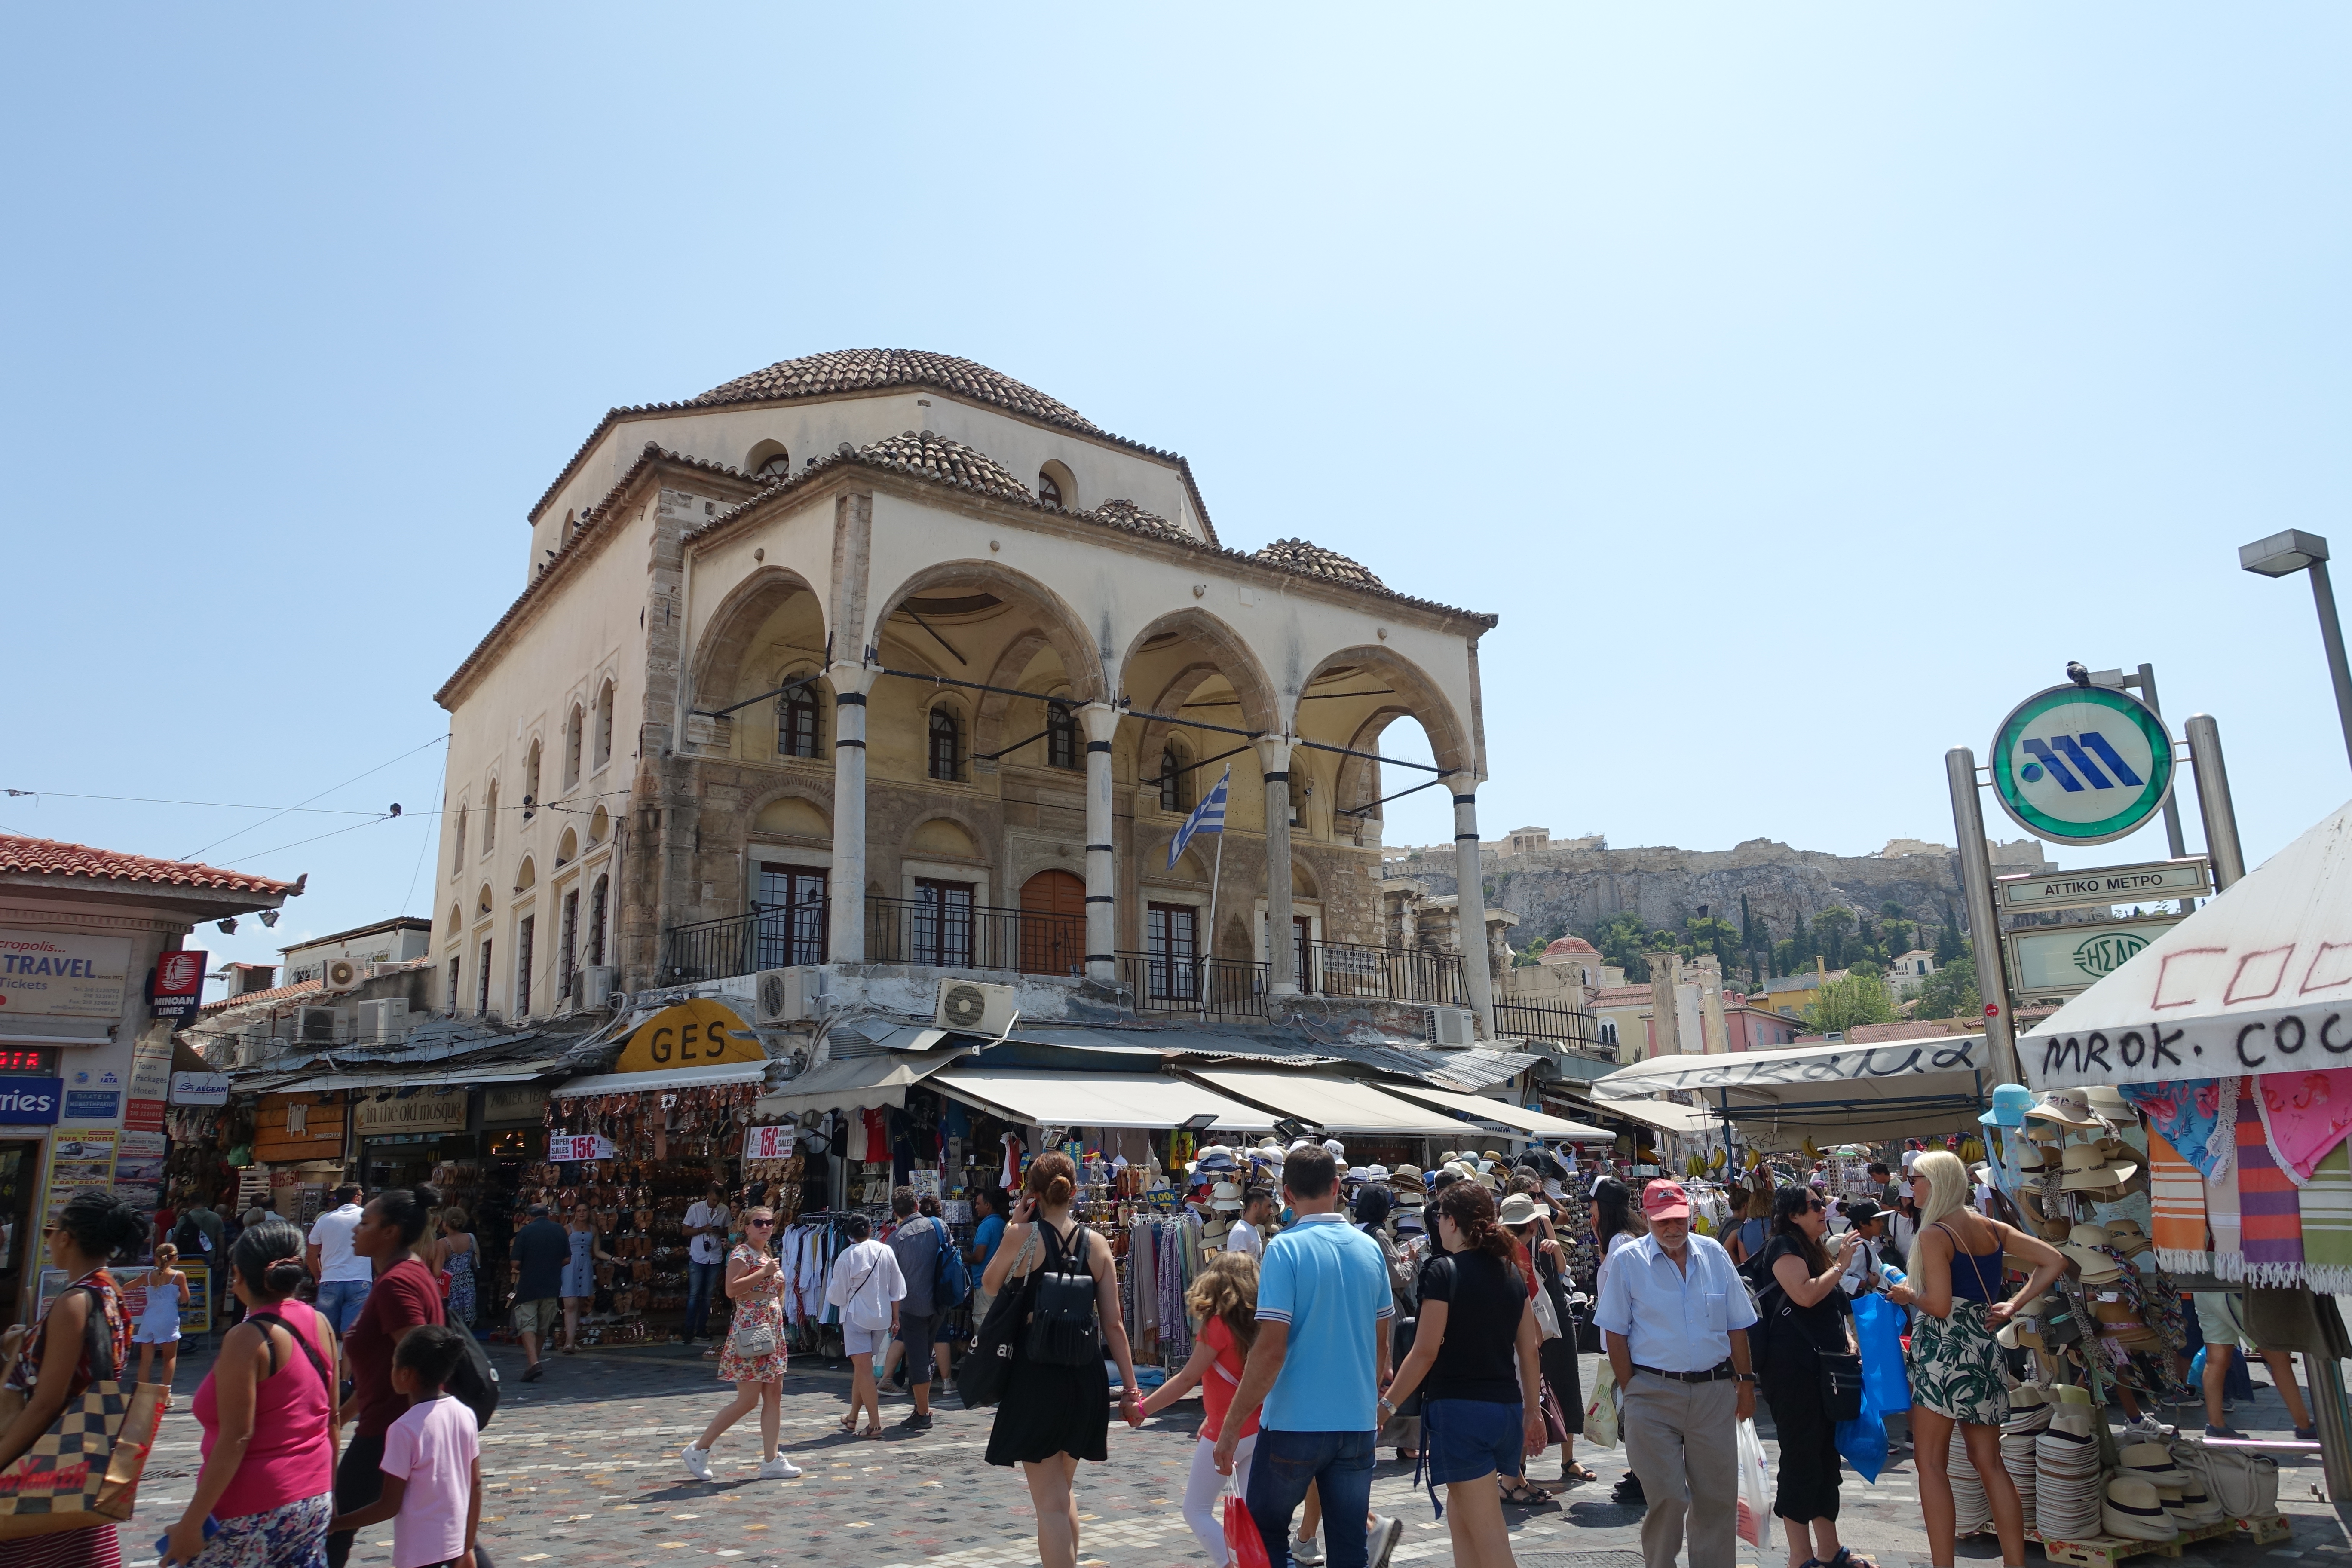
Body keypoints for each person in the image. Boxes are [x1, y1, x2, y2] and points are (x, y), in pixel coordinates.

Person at [1211, 1144, 1403, 1568]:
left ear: (1287, 1193)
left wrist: (1230, 1427)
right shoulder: (1368, 1248)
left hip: (1294, 1422)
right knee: (1350, 1543)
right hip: (1355, 1422)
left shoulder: (1285, 1249)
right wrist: (1365, 1400)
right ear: (1337, 1187)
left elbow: (1270, 1349)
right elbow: (1382, 1344)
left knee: (1265, 1535)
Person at [981, 1150, 1147, 1568]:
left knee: (1050, 1503)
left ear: (1033, 1195)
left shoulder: (1023, 1237)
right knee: (1063, 1491)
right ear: (1074, 1192)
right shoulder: (1097, 1245)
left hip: (1035, 1376)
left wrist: (1014, 1226)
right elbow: (1115, 1325)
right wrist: (1131, 1389)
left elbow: (988, 1285)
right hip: (1085, 1375)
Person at [1905, 1149, 2065, 1568]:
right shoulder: (1990, 1227)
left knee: (1931, 1464)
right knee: (1991, 1463)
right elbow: (2054, 1260)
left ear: (1936, 1182)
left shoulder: (1935, 1234)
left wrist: (1907, 1295)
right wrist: (2013, 1305)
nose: (1911, 1187)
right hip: (1985, 1348)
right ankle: (2016, 1563)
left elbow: (1938, 1306)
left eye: (1916, 1179)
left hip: (1944, 1352)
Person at [1379, 1181, 1546, 1568]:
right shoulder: (1510, 1271)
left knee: (1488, 1537)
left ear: (1451, 1221)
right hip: (1503, 1411)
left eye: (1440, 1217)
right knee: (1464, 1523)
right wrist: (1532, 1412)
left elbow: (1424, 1352)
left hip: (1461, 1413)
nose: (1438, 1224)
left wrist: (1385, 1408)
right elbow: (1530, 1347)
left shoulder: (1443, 1270)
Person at [1593, 1179, 1758, 1568]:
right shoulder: (1628, 1261)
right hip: (1652, 1393)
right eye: (1663, 1220)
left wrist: (1746, 1384)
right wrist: (1633, 1389)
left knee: (1717, 1498)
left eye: (1679, 1219)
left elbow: (1737, 1325)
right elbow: (1614, 1332)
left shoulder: (1715, 1254)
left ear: (1690, 1216)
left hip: (1713, 1392)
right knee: (1668, 1497)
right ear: (1647, 1217)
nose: (1672, 1227)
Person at [168, 1218, 340, 1567]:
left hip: (252, 1505)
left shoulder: (247, 1339)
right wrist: (330, 1492)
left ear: (239, 1276)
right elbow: (331, 1418)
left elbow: (237, 1437)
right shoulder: (319, 1323)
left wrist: (193, 1521)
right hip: (312, 1497)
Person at [0, 1190, 143, 1568]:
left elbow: (48, 1401)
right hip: (85, 1453)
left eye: (52, 1229)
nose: (49, 1238)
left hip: (47, 1460)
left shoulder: (74, 1301)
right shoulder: (109, 1291)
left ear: (66, 1237)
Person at [326, 1185, 447, 1568]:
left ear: (390, 1231)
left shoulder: (397, 1283)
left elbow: (416, 1358)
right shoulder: (406, 1272)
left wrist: (412, 1428)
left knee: (335, 1527)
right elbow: (387, 1366)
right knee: (445, 1528)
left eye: (366, 1223)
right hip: (391, 1421)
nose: (355, 1230)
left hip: (391, 1428)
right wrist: (344, 1414)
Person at [1758, 1185, 1871, 1568]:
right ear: (1793, 1214)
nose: (1824, 1210)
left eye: (1822, 1205)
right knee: (1800, 1459)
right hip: (1793, 1373)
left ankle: (1829, 1550)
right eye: (1815, 1206)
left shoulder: (1814, 1249)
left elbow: (1832, 1306)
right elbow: (1805, 1296)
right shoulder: (1782, 1248)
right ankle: (1800, 1556)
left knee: (1826, 1459)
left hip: (1825, 1368)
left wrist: (1849, 1339)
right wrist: (1840, 1265)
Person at [1142, 1250, 1264, 1566]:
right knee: (1248, 1513)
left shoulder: (1217, 1327)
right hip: (1261, 1430)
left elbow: (1186, 1381)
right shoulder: (1263, 1325)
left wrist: (1143, 1409)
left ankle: (1228, 1564)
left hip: (1225, 1432)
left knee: (1195, 1510)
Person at [329, 1324, 481, 1568]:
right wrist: (469, 1546)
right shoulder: (465, 1414)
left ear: (404, 1374)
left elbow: (389, 1505)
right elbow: (475, 1484)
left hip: (418, 1553)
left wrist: (336, 1524)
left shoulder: (403, 1429)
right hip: (454, 1547)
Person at [681, 1205, 800, 1480]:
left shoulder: (765, 1254)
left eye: (769, 1222)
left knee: (774, 1396)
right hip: (752, 1329)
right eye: (758, 1222)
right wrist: (764, 1273)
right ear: (746, 1228)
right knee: (747, 1400)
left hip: (771, 1329)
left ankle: (772, 1459)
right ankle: (699, 1449)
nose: (765, 1227)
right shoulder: (742, 1253)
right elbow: (731, 1289)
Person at [1504, 1193, 1592, 1487]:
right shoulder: (1503, 1248)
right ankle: (1517, 1467)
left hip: (1553, 1315)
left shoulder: (1543, 1227)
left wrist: (1555, 1249)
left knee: (1565, 1382)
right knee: (1523, 1390)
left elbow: (1562, 1268)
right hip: (1522, 1323)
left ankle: (1566, 1459)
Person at [1589, 1175, 1649, 1508]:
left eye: (1594, 1206)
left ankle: (1644, 1474)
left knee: (1632, 1410)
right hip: (1626, 1342)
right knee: (1629, 1410)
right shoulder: (1620, 1240)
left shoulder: (1621, 1244)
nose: (1590, 1213)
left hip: (1628, 1343)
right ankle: (1640, 1469)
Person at [2196, 1289, 2318, 1441]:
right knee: (2279, 1358)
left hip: (2204, 1288)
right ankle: (2304, 1425)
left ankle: (2216, 1426)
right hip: (2235, 1289)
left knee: (2216, 1360)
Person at [825, 1212, 904, 1439]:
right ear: (871, 1230)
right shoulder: (886, 1250)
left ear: (849, 1235)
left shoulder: (847, 1256)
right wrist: (896, 1318)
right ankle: (852, 1417)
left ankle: (875, 1425)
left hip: (857, 1318)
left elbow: (837, 1296)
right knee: (864, 1369)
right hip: (882, 1318)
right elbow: (896, 1289)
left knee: (864, 1370)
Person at [882, 1185, 949, 1431]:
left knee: (919, 1358)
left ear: (897, 1213)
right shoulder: (940, 1227)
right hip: (940, 1301)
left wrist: (893, 1314)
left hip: (912, 1305)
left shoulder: (896, 1239)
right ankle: (921, 1407)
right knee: (926, 1353)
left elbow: (890, 1280)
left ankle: (923, 1412)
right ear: (916, 1206)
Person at [507, 1202, 566, 1382]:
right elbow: (567, 1259)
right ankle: (534, 1363)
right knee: (542, 1326)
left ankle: (533, 1363)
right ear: (548, 1214)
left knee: (527, 1324)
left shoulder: (525, 1232)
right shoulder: (560, 1230)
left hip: (529, 1285)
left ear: (530, 1216)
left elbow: (515, 1263)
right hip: (551, 1285)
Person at [135, 1240, 193, 1409]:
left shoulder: (147, 1276)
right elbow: (185, 1298)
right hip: (168, 1318)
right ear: (174, 1259)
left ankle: (143, 1395)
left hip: (149, 1318)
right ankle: (166, 1395)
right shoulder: (178, 1276)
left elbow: (127, 1287)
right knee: (169, 1358)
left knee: (146, 1360)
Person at [309, 1185, 371, 1335]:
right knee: (351, 1337)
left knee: (325, 1334)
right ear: (356, 1198)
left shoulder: (324, 1220)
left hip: (330, 1280)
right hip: (360, 1280)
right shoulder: (368, 1218)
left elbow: (311, 1254)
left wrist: (319, 1276)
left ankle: (329, 1359)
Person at [682, 1182, 732, 1353]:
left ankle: (702, 1329)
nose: (715, 1204)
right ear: (708, 1195)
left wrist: (720, 1233)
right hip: (698, 1256)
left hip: (715, 1256)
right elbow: (685, 1231)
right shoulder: (696, 1209)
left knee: (708, 1295)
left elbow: (728, 1231)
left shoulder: (724, 1210)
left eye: (718, 1201)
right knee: (694, 1294)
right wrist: (702, 1229)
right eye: (713, 1200)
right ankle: (689, 1331)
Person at [558, 1204, 614, 1354]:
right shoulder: (568, 1228)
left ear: (589, 1212)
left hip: (586, 1266)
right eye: (579, 1211)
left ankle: (571, 1339)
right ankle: (569, 1343)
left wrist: (613, 1258)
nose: (582, 1213)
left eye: (584, 1210)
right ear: (575, 1213)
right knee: (570, 1304)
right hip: (570, 1266)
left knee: (578, 1306)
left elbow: (597, 1251)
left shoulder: (593, 1229)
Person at [430, 1207, 478, 1334]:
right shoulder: (471, 1238)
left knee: (451, 1325)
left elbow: (437, 1271)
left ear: (445, 1223)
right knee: (465, 1327)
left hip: (451, 1287)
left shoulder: (443, 1243)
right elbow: (478, 1262)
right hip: (468, 1284)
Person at [968, 1185, 1008, 1323]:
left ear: (988, 1205)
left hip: (984, 1284)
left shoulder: (986, 1226)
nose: (976, 1207)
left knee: (982, 1322)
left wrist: (963, 1256)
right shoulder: (1002, 1223)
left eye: (979, 1204)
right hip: (1000, 1282)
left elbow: (979, 1257)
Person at [1228, 1187, 1276, 1257]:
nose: (1272, 1212)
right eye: (1268, 1206)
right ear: (1256, 1206)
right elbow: (1238, 1267)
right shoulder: (1242, 1233)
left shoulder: (1250, 1229)